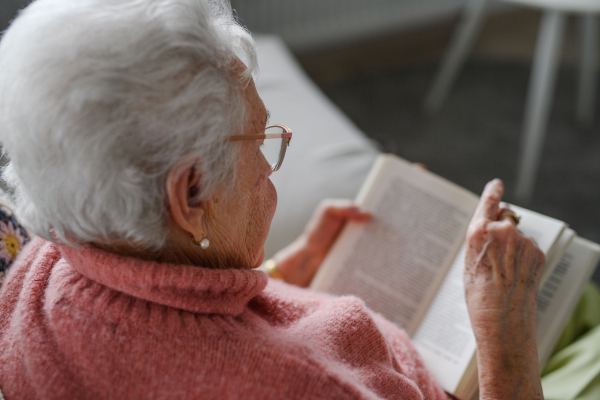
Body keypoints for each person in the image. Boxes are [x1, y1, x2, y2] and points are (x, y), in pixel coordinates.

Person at [0, 0, 547, 398]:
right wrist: (508, 345)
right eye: (259, 139)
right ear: (190, 194)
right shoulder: (304, 387)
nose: (268, 164)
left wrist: (285, 271)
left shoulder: (40, 267)